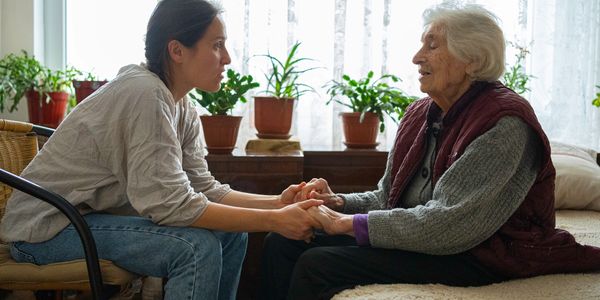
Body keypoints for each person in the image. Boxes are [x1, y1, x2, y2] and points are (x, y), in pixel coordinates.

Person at [259, 3, 600, 300]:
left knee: (317, 265)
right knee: (283, 241)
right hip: (428, 239)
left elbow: (451, 224)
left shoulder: (505, 124)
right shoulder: (421, 113)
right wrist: (338, 203)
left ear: (472, 59)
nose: (416, 57)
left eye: (431, 45)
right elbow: (388, 197)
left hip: (482, 253)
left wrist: (346, 224)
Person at [0, 0, 322, 299]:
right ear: (177, 50)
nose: (227, 58)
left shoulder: (181, 105)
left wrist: (276, 204)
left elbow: (203, 188)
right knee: (195, 247)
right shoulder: (145, 94)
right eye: (217, 45)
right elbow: (171, 206)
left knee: (230, 236)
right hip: (45, 231)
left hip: (85, 219)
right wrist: (274, 220)